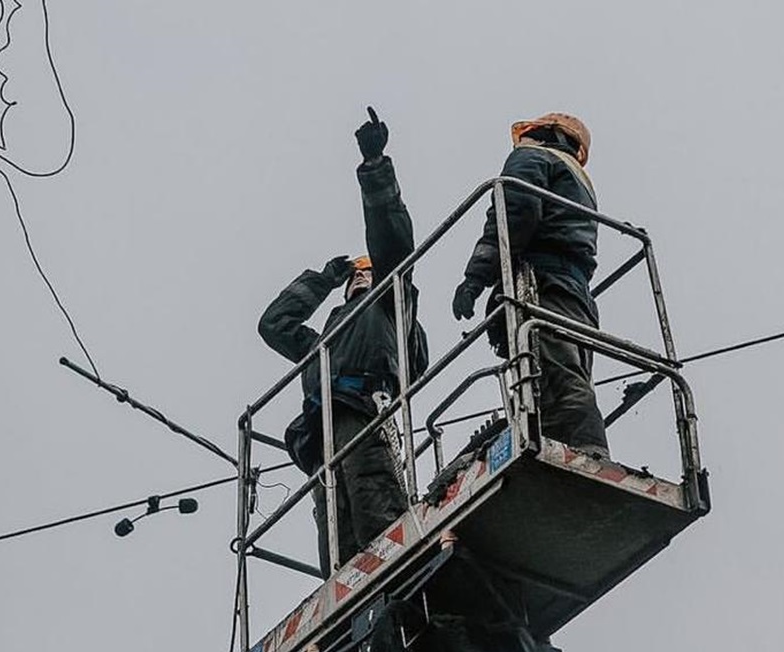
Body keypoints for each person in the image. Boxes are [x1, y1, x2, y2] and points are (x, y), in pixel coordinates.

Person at [258, 108, 428, 576]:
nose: (359, 277)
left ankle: (400, 580)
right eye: (355, 275)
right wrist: (323, 280)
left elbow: (393, 242)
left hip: (363, 412)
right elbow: (274, 325)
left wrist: (376, 167)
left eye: (365, 272)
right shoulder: (325, 342)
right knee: (335, 537)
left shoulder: (389, 305)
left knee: (376, 510)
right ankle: (352, 600)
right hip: (323, 430)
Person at [450, 113, 609, 458]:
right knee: (566, 374)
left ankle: (584, 457)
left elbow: (514, 214)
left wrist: (476, 277)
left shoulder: (533, 157)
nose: (520, 142)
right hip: (574, 292)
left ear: (545, 134)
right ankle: (578, 450)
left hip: (542, 285)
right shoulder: (578, 180)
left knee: (554, 378)